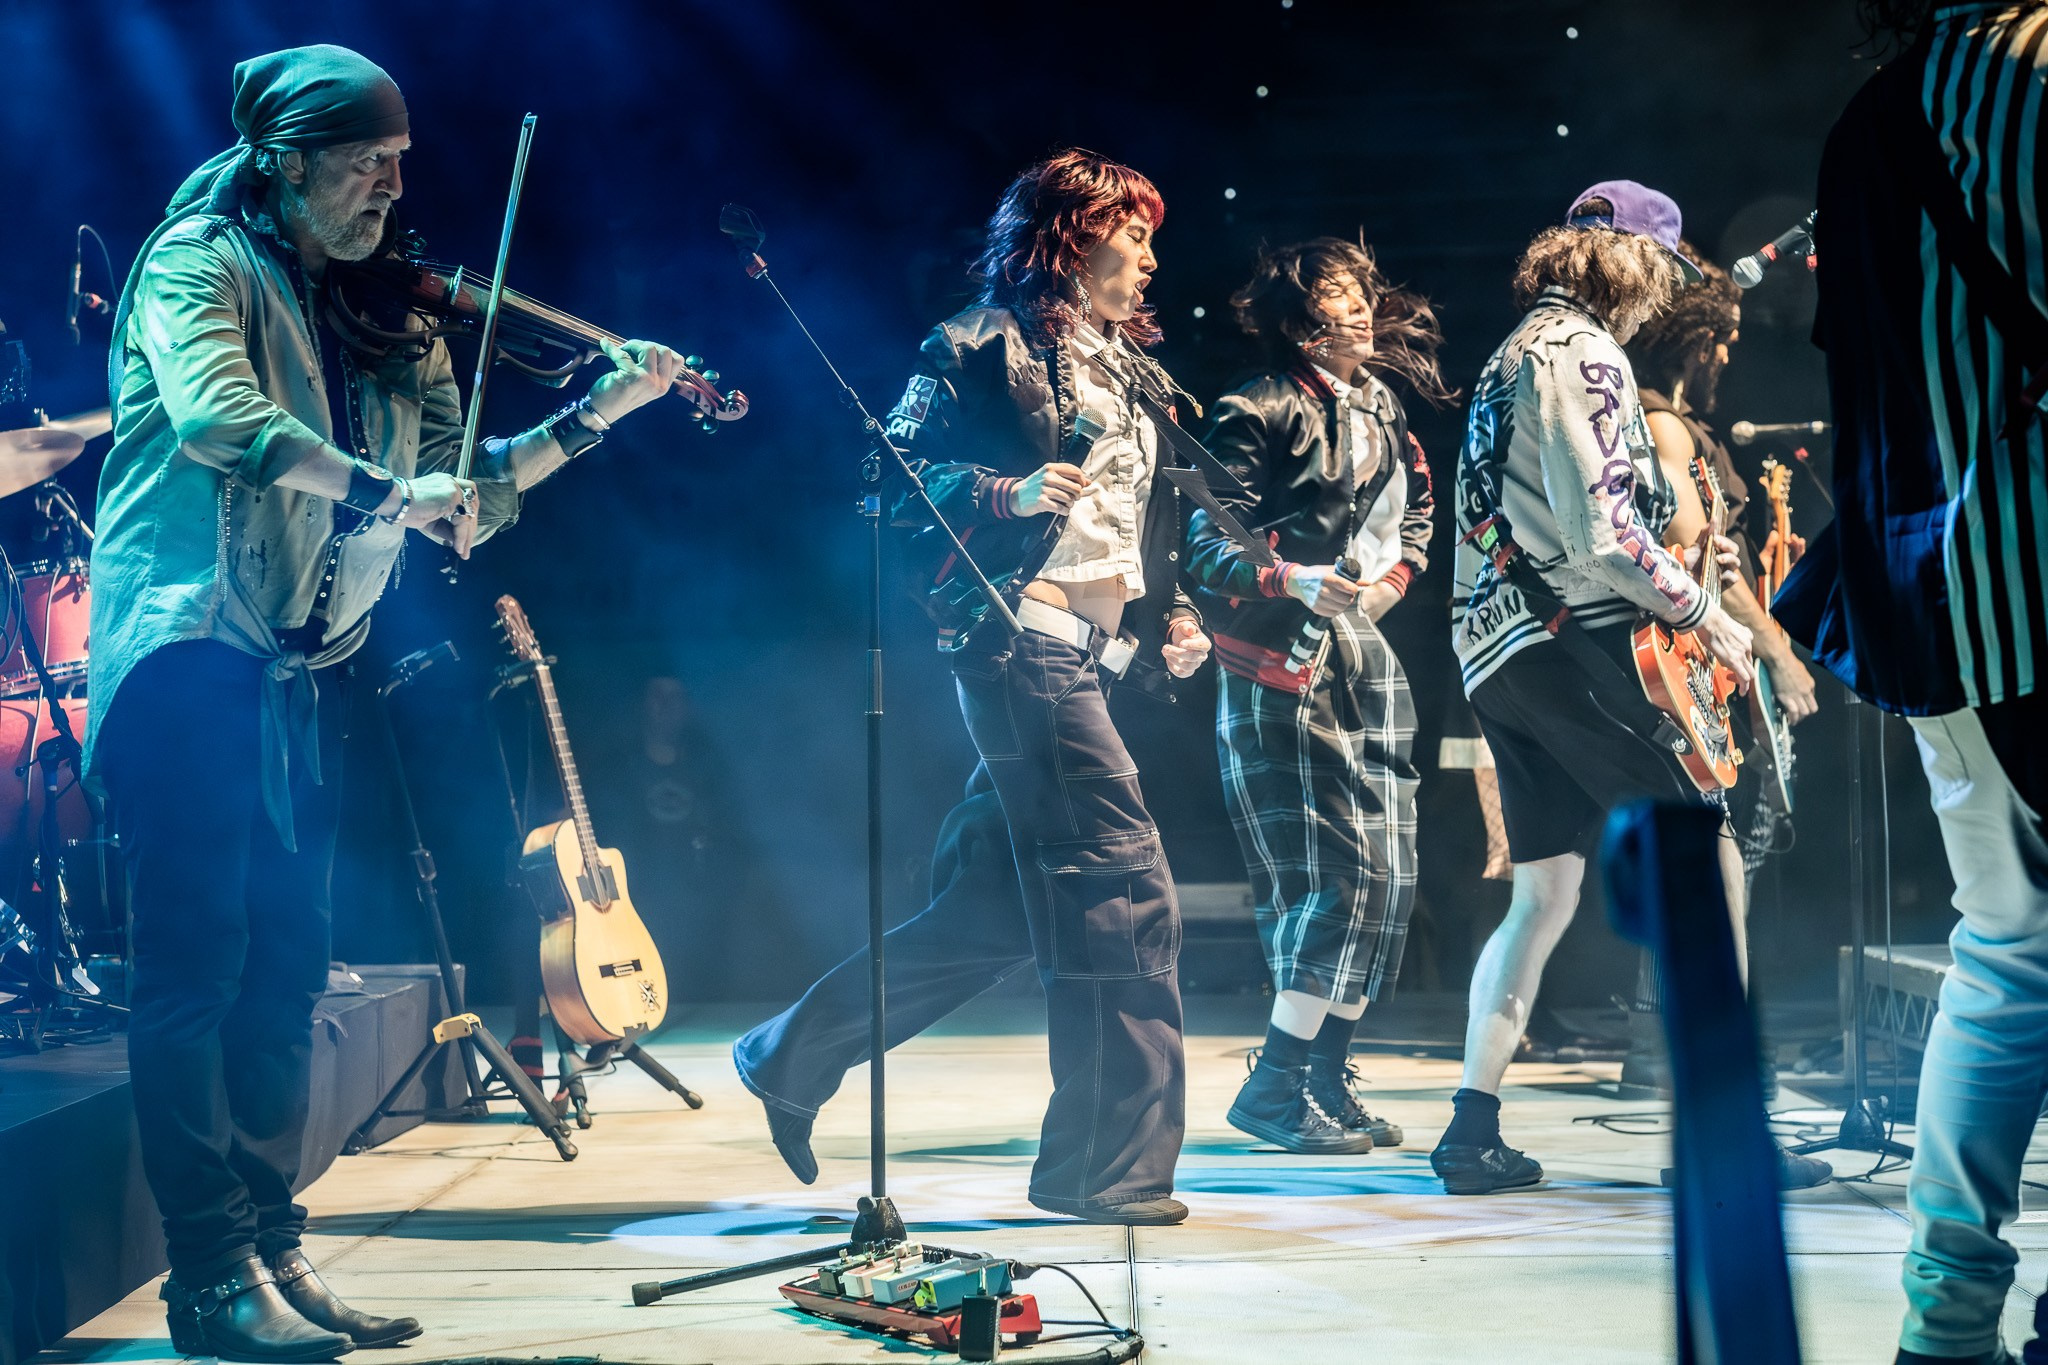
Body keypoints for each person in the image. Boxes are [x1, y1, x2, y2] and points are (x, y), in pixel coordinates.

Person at [88, 45, 688, 1362]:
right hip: (188, 653)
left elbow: (461, 499)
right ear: (284, 160)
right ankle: (205, 1276)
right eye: (367, 162)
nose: (391, 187)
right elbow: (219, 419)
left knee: (288, 968)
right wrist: (382, 488)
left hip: (296, 675)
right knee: (196, 969)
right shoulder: (199, 264)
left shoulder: (375, 313)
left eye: (400, 162)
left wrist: (600, 412)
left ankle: (274, 1245)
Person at [733, 149, 1213, 1227]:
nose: (1147, 258)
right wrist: (1001, 490)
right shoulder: (972, 345)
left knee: (992, 916)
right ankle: (1104, 1170)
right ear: (1071, 232)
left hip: (1088, 648)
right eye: (1131, 234)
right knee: (1121, 886)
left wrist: (1164, 607)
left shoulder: (1129, 372)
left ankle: (787, 1056)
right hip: (1020, 647)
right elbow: (883, 478)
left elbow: (1135, 520)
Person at [1435, 181, 1832, 1196]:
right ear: (1633, 262)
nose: (1663, 302)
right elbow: (1602, 534)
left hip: (1497, 655)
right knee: (1706, 864)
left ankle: (1470, 1131)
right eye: (1662, 273)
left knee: (1542, 894)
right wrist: (1709, 624)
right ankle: (1715, 1140)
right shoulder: (1580, 352)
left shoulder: (1506, 355)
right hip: (1577, 646)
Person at [1775, 4, 2048, 1361]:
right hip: (2046, 568)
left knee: (2007, 955)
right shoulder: (2040, 71)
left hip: (1943, 600)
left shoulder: (1874, 116)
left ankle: (1947, 1323)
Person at [1185, 238, 1452, 1153]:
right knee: (1331, 877)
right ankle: (1277, 1083)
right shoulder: (1256, 408)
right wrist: (1287, 581)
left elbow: (1416, 507)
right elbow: (1205, 542)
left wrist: (1389, 585)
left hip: (1357, 648)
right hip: (1278, 663)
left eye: (1361, 293)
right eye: (1337, 297)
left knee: (1388, 879)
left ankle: (1323, 1078)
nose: (1361, 310)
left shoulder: (1382, 410)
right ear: (1301, 317)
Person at [1619, 244, 1820, 1093]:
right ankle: (1696, 1068)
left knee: (1717, 859)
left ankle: (1686, 1059)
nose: (1729, 355)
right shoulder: (1665, 426)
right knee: (1717, 857)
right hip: (1689, 667)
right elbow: (1695, 560)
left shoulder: (1677, 427)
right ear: (1689, 339)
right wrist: (1775, 651)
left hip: (1708, 664)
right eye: (1722, 338)